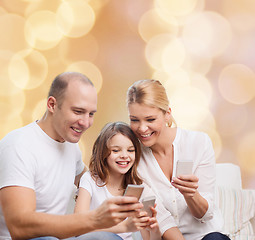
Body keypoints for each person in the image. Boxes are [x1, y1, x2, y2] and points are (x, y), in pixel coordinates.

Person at [0, 72, 143, 240]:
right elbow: (19, 227)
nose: (85, 123)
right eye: (78, 111)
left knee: (108, 237)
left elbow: (90, 178)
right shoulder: (18, 145)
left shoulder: (70, 145)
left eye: (91, 114)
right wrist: (95, 218)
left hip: (58, 238)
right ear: (52, 105)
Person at [126, 79, 231, 240]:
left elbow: (205, 215)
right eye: (134, 120)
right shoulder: (133, 157)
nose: (142, 128)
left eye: (150, 119)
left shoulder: (198, 143)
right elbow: (161, 218)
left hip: (206, 236)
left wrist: (191, 195)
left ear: (167, 114)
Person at [74, 121, 163, 240]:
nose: (124, 155)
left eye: (130, 150)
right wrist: (124, 227)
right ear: (103, 152)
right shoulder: (90, 179)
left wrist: (154, 231)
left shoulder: (140, 188)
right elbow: (78, 227)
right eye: (116, 150)